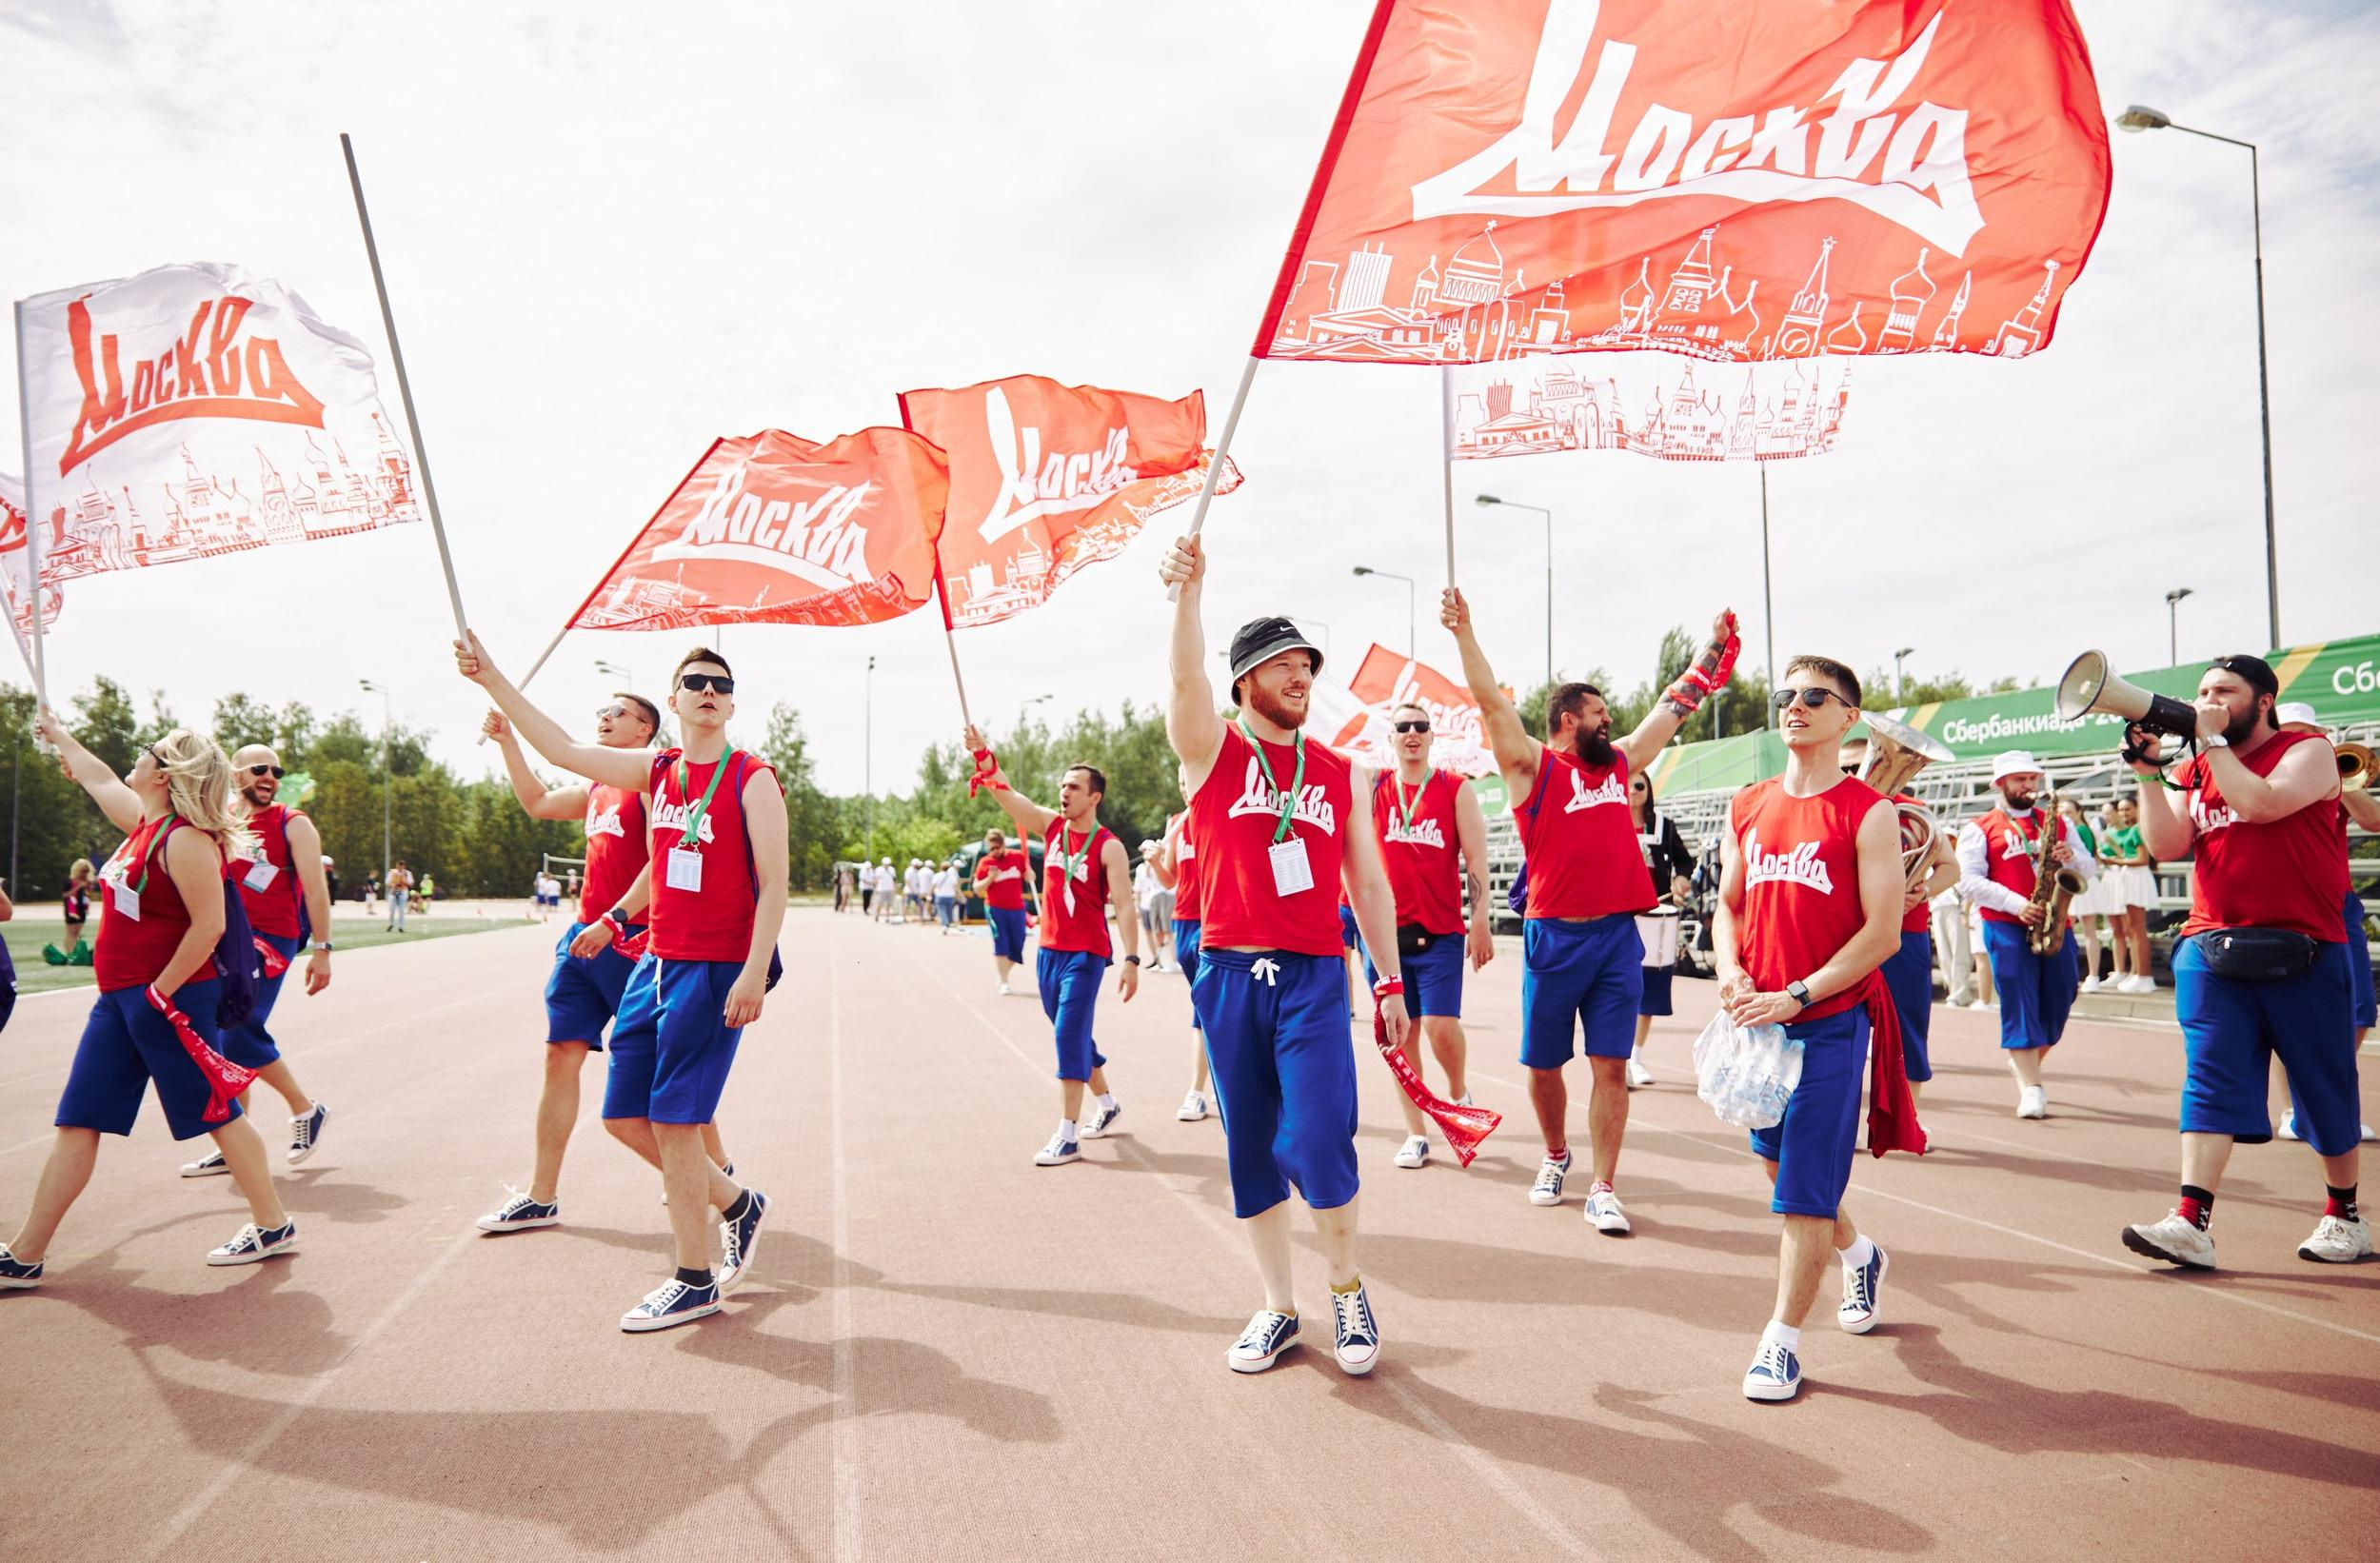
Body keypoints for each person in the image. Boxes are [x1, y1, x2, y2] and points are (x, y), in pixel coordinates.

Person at [460, 634, 783, 1331]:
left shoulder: (750, 777)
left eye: (720, 685)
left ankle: (694, 1279)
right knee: (622, 1117)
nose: (708, 691)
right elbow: (562, 755)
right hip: (656, 963)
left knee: (673, 1120)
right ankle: (736, 1203)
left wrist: (755, 970)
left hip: (716, 967)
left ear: (729, 704)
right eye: (695, 681)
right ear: (674, 700)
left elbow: (777, 882)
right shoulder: (657, 772)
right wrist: (493, 680)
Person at [1160, 533, 1407, 1375]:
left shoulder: (1339, 773)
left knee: (1322, 1141)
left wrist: (1390, 979)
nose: (1303, 676)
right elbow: (1185, 681)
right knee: (1253, 1147)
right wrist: (1189, 595)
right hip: (1228, 975)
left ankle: (1345, 1286)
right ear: (1246, 684)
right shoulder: (1213, 754)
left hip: (1310, 976)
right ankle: (1278, 1306)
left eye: (1308, 664)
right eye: (1284, 665)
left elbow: (1369, 886)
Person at [1447, 586, 1739, 1233]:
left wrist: (1709, 650)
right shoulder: (1531, 770)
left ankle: (1604, 1186)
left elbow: (1673, 708)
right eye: (1598, 713)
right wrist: (1465, 632)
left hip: (1615, 938)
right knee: (1544, 1066)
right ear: (1567, 721)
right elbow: (1491, 704)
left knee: (1610, 1065)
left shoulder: (1622, 765)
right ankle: (1555, 1155)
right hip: (1552, 938)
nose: (1610, 721)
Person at [4, 718, 300, 1290]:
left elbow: (210, 925)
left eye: (147, 753)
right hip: (120, 1000)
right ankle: (25, 1254)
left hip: (171, 999)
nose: (136, 759)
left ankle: (273, 1224)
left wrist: (160, 993)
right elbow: (97, 776)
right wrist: (60, 734)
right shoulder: (143, 822)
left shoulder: (185, 839)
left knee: (217, 1111)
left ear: (163, 774)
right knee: (79, 1118)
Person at [1713, 657, 1919, 1402]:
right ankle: (1860, 1254)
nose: (1794, 707)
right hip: (1760, 1024)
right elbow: (1727, 904)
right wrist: (1732, 972)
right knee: (1778, 1167)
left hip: (1828, 1023)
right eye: (1785, 696)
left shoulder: (1869, 811)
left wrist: (1799, 994)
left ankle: (1781, 1343)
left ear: (1847, 718)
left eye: (1813, 697)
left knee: (1802, 1194)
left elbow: (1884, 934)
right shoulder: (1750, 803)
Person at [2120, 655, 2368, 1267]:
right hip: (2211, 944)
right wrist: (2149, 775)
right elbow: (2167, 846)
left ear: (2263, 701)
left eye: (2225, 691)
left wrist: (2207, 743)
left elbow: (2260, 804)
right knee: (2208, 1077)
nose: (2208, 699)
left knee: (2322, 1084)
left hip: (2305, 946)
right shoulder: (2201, 764)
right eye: (2203, 691)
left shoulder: (2307, 748)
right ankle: (2190, 1221)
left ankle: (2345, 1216)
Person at [474, 699, 735, 1235]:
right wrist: (508, 745)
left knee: (670, 1074)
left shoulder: (653, 784)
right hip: (581, 941)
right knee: (559, 1055)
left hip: (633, 943)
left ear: (646, 728)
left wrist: (616, 922)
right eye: (600, 711)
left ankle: (718, 1174)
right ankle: (541, 1195)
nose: (603, 718)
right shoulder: (597, 788)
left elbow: (662, 868)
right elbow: (539, 802)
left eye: (617, 713)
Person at [964, 723, 1140, 1161]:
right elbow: (1006, 794)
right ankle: (1107, 1103)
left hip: (1086, 953)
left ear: (1094, 797)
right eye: (1062, 785)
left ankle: (1067, 1133)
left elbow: (1125, 905)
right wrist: (983, 754)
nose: (1065, 792)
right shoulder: (1050, 827)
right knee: (1072, 1032)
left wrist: (1134, 959)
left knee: (1067, 1033)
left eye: (1074, 787)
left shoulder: (1109, 847)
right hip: (1049, 950)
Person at [176, 745, 334, 1177]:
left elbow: (316, 890)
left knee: (239, 1025)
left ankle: (306, 1109)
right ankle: (235, 1141)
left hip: (271, 940)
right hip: (228, 940)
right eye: (260, 769)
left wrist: (323, 949)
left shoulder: (293, 823)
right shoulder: (222, 818)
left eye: (276, 770)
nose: (270, 776)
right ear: (235, 773)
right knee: (220, 1036)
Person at [1361, 700, 1495, 1169]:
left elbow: (1476, 861)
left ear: (1433, 736)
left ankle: (1457, 1093)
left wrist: (1480, 920)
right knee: (1402, 1036)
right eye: (1403, 727)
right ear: (1391, 737)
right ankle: (1417, 1131)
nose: (1412, 733)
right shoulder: (1373, 785)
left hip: (1440, 932)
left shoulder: (1455, 790)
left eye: (1421, 726)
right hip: (1385, 937)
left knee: (1439, 1028)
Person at [1955, 752, 2097, 1119]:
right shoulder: (1980, 827)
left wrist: (2071, 859)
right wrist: (2016, 903)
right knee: (2019, 1001)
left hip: (2055, 921)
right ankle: (2032, 1087)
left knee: (2063, 995)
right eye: (2019, 780)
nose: (2028, 786)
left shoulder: (2060, 822)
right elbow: (1967, 879)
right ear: (2000, 784)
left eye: (2032, 779)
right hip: (2005, 924)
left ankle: (2023, 1063)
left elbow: (2089, 867)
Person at [2274, 704, 2379, 1143]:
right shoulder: (2269, 780)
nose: (2298, 741)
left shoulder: (2328, 777)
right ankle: (2293, 1110)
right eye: (2290, 734)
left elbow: (2374, 820)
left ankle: (2319, 1103)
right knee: (2286, 1018)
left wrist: (2333, 770)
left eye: (2307, 734)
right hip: (2285, 910)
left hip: (2338, 906)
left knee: (2358, 1013)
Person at [1882, 791, 1961, 1111]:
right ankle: (1845, 1122)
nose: (1853, 771)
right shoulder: (1833, 802)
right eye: (1846, 765)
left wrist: (1923, 891)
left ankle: (1908, 1118)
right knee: (1842, 1030)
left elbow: (1950, 869)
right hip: (1844, 932)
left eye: (1857, 764)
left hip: (1905, 931)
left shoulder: (1914, 811)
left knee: (1908, 1026)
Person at [1625, 766, 1696, 1089]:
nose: (1633, 790)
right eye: (1627, 784)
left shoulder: (1662, 825)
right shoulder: (1608, 820)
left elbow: (1684, 860)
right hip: (1618, 915)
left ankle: (1635, 1056)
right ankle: (1618, 1056)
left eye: (1639, 785)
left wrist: (1682, 878)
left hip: (1654, 912)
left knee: (1646, 989)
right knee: (1618, 987)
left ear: (1648, 789)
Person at [1151, 802, 1214, 1120]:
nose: (1185, 788)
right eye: (1180, 784)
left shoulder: (1219, 813)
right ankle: (1219, 1083)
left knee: (1204, 1007)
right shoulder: (1177, 823)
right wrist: (1153, 860)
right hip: (1184, 922)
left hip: (1215, 921)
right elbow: (1168, 878)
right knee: (1208, 1008)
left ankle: (1197, 1092)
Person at [2063, 797, 2121, 992]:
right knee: (2084, 932)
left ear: (2079, 812)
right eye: (2064, 813)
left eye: (2069, 812)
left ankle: (2092, 975)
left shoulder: (2079, 830)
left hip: (2081, 882)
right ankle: (2090, 975)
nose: (2066, 816)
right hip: (2082, 881)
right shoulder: (2085, 829)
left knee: (2086, 933)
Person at [2101, 797, 2158, 995]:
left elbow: (2142, 859)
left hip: (2136, 877)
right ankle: (2136, 973)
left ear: (2136, 809)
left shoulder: (2137, 828)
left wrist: (2115, 860)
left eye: (2128, 809)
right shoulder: (2133, 828)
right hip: (2130, 877)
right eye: (2122, 810)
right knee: (2132, 930)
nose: (2124, 813)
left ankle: (2144, 976)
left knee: (2137, 930)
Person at [974, 829, 1031, 993]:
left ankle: (1003, 973)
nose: (994, 852)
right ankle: (1005, 981)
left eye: (997, 847)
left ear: (1003, 844)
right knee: (1001, 943)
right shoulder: (985, 863)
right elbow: (977, 889)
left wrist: (1030, 875)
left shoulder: (1018, 857)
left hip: (1017, 908)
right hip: (995, 909)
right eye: (991, 849)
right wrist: (990, 878)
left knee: (1017, 945)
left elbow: (1028, 874)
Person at [1929, 865, 1974, 1008]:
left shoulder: (1956, 851)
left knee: (1960, 950)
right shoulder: (1933, 852)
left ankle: (1960, 992)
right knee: (1944, 955)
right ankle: (1953, 991)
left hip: (1956, 904)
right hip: (1937, 906)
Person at [47, 858, 94, 965]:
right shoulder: (70, 881)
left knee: (77, 933)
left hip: (82, 910)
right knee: (70, 932)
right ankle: (69, 953)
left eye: (87, 870)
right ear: (77, 870)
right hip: (71, 909)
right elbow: (65, 895)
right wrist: (78, 887)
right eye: (83, 870)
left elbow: (88, 897)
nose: (85, 872)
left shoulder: (88, 883)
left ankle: (75, 953)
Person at [385, 860, 414, 932]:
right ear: (396, 865)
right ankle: (391, 924)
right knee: (392, 909)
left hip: (403, 893)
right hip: (393, 892)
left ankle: (401, 926)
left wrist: (404, 881)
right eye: (399, 865)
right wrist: (393, 885)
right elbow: (387, 882)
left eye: (402, 866)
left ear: (404, 866)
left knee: (401, 910)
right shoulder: (392, 872)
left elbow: (411, 883)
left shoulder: (407, 873)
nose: (400, 867)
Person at [933, 860, 961, 933]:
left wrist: (928, 894)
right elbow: (957, 888)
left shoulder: (937, 875)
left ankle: (945, 924)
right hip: (950, 896)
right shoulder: (952, 877)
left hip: (940, 896)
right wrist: (961, 896)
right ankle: (948, 923)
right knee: (948, 911)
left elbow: (933, 886)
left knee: (942, 911)